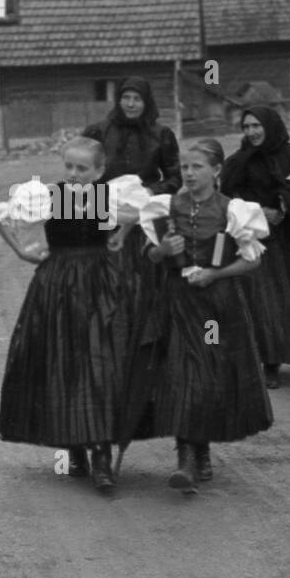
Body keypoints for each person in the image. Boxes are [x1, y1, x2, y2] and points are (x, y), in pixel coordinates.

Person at [131, 138, 273, 490]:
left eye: (197, 167)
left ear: (216, 171)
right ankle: (185, 458)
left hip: (216, 309)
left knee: (208, 374)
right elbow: (148, 256)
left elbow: (252, 260)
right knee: (179, 373)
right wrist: (163, 249)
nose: (189, 173)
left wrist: (216, 273)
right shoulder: (165, 207)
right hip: (176, 302)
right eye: (184, 167)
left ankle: (202, 451)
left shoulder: (233, 210)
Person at [0, 137, 124, 493]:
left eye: (83, 169)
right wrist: (22, 252)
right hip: (58, 284)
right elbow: (1, 217)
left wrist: (119, 236)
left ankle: (101, 454)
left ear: (99, 171)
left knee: (99, 362)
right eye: (69, 167)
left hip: (100, 283)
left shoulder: (106, 198)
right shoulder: (50, 197)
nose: (74, 175)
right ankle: (75, 445)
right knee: (63, 360)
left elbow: (137, 220)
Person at [80, 76, 180, 476]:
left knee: (143, 287)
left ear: (147, 101)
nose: (131, 103)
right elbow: (82, 169)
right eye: (125, 97)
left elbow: (174, 177)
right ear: (118, 100)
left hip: (144, 221)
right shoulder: (99, 132)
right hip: (101, 220)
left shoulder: (161, 134)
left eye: (138, 97)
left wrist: (142, 191)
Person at [220, 106, 290, 388]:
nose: (252, 132)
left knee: (289, 299)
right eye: (246, 127)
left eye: (257, 126)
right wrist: (257, 212)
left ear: (270, 125)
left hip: (289, 238)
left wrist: (285, 204)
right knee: (264, 301)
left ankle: (276, 358)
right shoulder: (238, 163)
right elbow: (227, 199)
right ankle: (268, 362)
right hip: (257, 239)